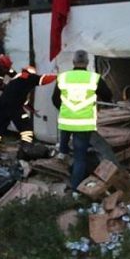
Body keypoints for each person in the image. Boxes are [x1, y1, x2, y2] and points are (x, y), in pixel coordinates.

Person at [52, 50, 112, 190]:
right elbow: (108, 95)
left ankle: (62, 152)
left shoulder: (63, 77)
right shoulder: (94, 78)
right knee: (80, 158)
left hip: (66, 122)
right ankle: (75, 190)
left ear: (73, 62)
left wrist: (67, 110)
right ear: (87, 63)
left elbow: (55, 99)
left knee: (65, 145)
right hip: (83, 124)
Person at [0, 65, 56, 158]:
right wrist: (57, 76)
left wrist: (31, 109)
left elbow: (20, 97)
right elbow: (43, 79)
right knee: (26, 128)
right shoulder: (28, 77)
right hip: (14, 107)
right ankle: (26, 150)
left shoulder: (16, 80)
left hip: (1, 107)